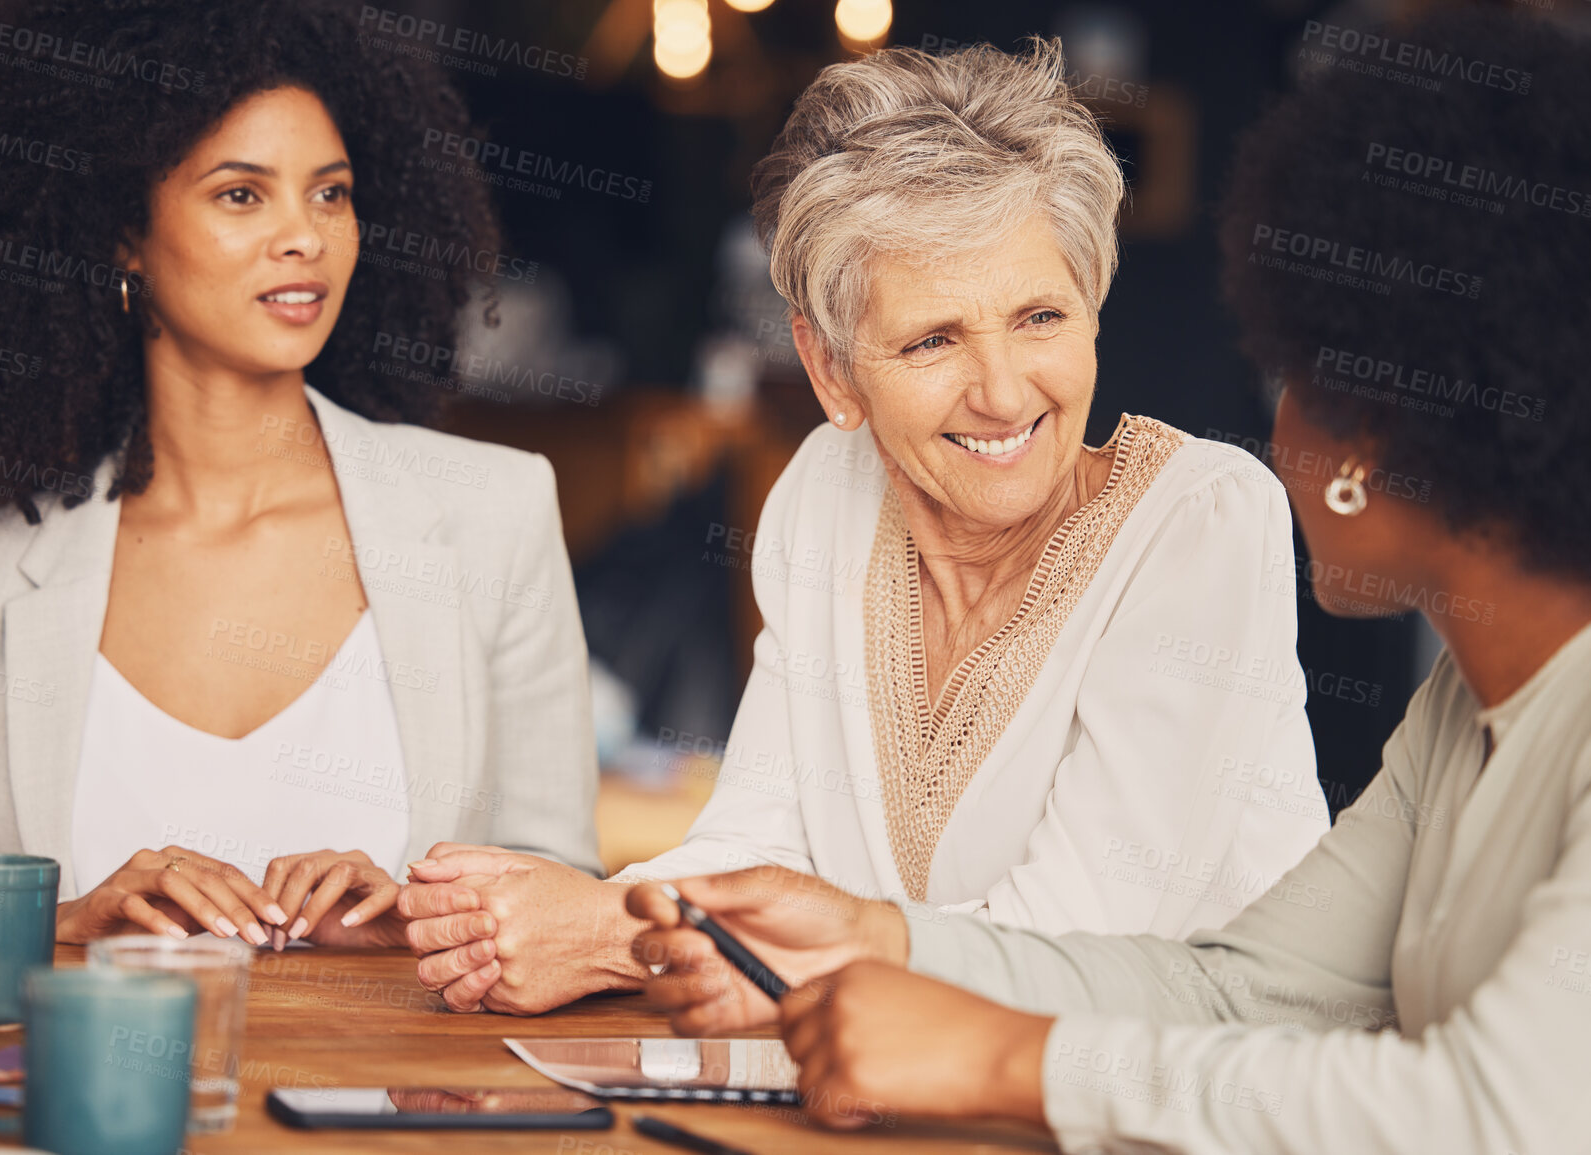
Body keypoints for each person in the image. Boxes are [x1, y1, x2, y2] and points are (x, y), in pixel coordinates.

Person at [626, 11, 1591, 1152]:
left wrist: (1004, 1057)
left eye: (1302, 383)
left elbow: (1492, 1117)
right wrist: (880, 947)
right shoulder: (1462, 713)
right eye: (935, 341)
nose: (1277, 444)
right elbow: (1247, 994)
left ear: (1384, 442)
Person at [402, 39, 1326, 1015]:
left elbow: (1079, 947)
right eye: (933, 339)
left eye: (1041, 317)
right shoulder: (826, 492)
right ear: (831, 370)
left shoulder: (1202, 526)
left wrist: (624, 940)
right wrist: (480, 915)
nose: (1005, 391)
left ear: (1094, 306)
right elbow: (753, 846)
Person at [0, 0, 599, 948]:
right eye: (241, 194)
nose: (305, 235)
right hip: (81, 1098)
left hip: (387, 1096)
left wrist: (412, 919)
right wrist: (61, 924)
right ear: (123, 235)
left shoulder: (492, 512)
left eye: (330, 193)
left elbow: (567, 901)